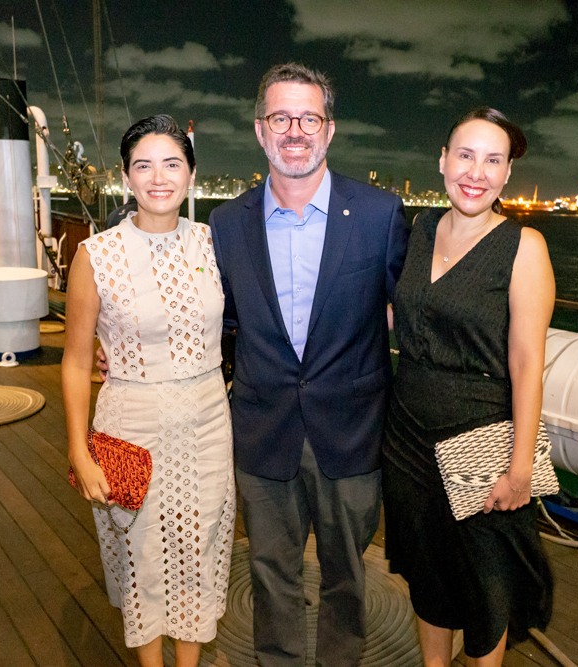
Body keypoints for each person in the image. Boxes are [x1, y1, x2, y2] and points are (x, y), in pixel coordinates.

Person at [208, 63, 408, 666]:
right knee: (271, 574)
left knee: (348, 576)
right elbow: (213, 318)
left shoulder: (379, 214)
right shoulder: (226, 224)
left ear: (330, 129)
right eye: (280, 118)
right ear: (259, 129)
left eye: (309, 118)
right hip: (264, 430)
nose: (295, 131)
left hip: (351, 433)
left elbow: (412, 311)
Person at [381, 108, 555, 667]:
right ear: (442, 161)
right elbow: (404, 313)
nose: (476, 172)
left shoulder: (524, 246)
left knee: (486, 585)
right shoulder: (421, 229)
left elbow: (527, 363)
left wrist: (521, 469)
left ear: (507, 174)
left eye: (492, 160)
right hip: (407, 431)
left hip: (479, 434)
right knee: (427, 571)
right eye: (465, 155)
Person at [63, 114, 235, 667]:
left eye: (172, 164)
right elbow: (75, 361)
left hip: (208, 424)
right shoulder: (96, 255)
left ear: (191, 174)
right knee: (143, 559)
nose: (158, 178)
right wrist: (78, 449)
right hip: (131, 426)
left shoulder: (215, 244)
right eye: (144, 166)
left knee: (199, 552)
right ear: (125, 176)